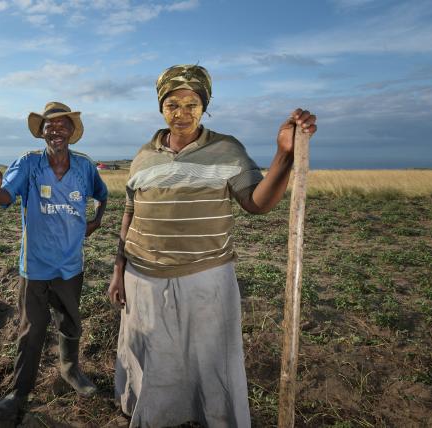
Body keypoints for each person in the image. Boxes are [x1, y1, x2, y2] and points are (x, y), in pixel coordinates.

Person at [108, 65, 317, 428]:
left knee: (209, 357)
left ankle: (210, 416)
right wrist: (118, 270)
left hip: (205, 277)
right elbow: (130, 213)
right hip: (142, 276)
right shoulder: (144, 155)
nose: (182, 113)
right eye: (173, 104)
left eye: (192, 104)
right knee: (151, 353)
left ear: (204, 107)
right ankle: (151, 414)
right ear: (161, 108)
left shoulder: (227, 149)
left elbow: (257, 202)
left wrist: (283, 155)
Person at [0, 102, 109, 420]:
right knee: (31, 329)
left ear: (71, 132)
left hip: (70, 265)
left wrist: (96, 222)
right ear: (42, 132)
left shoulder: (85, 167)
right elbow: (7, 197)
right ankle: (19, 392)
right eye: (50, 125)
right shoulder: (29, 163)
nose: (56, 130)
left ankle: (70, 370)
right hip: (35, 265)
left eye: (63, 125)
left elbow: (102, 195)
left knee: (70, 322)